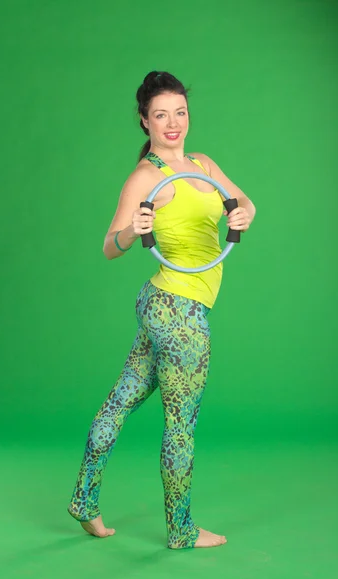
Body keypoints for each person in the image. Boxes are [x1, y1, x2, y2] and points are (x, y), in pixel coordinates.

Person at [67, 71, 256, 549]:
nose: (172, 123)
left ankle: (84, 501)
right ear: (144, 121)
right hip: (180, 314)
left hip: (162, 307)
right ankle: (180, 529)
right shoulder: (146, 177)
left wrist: (241, 214)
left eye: (180, 112)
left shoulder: (203, 164)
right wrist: (134, 229)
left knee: (121, 401)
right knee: (181, 423)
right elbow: (111, 245)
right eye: (160, 115)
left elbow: (246, 203)